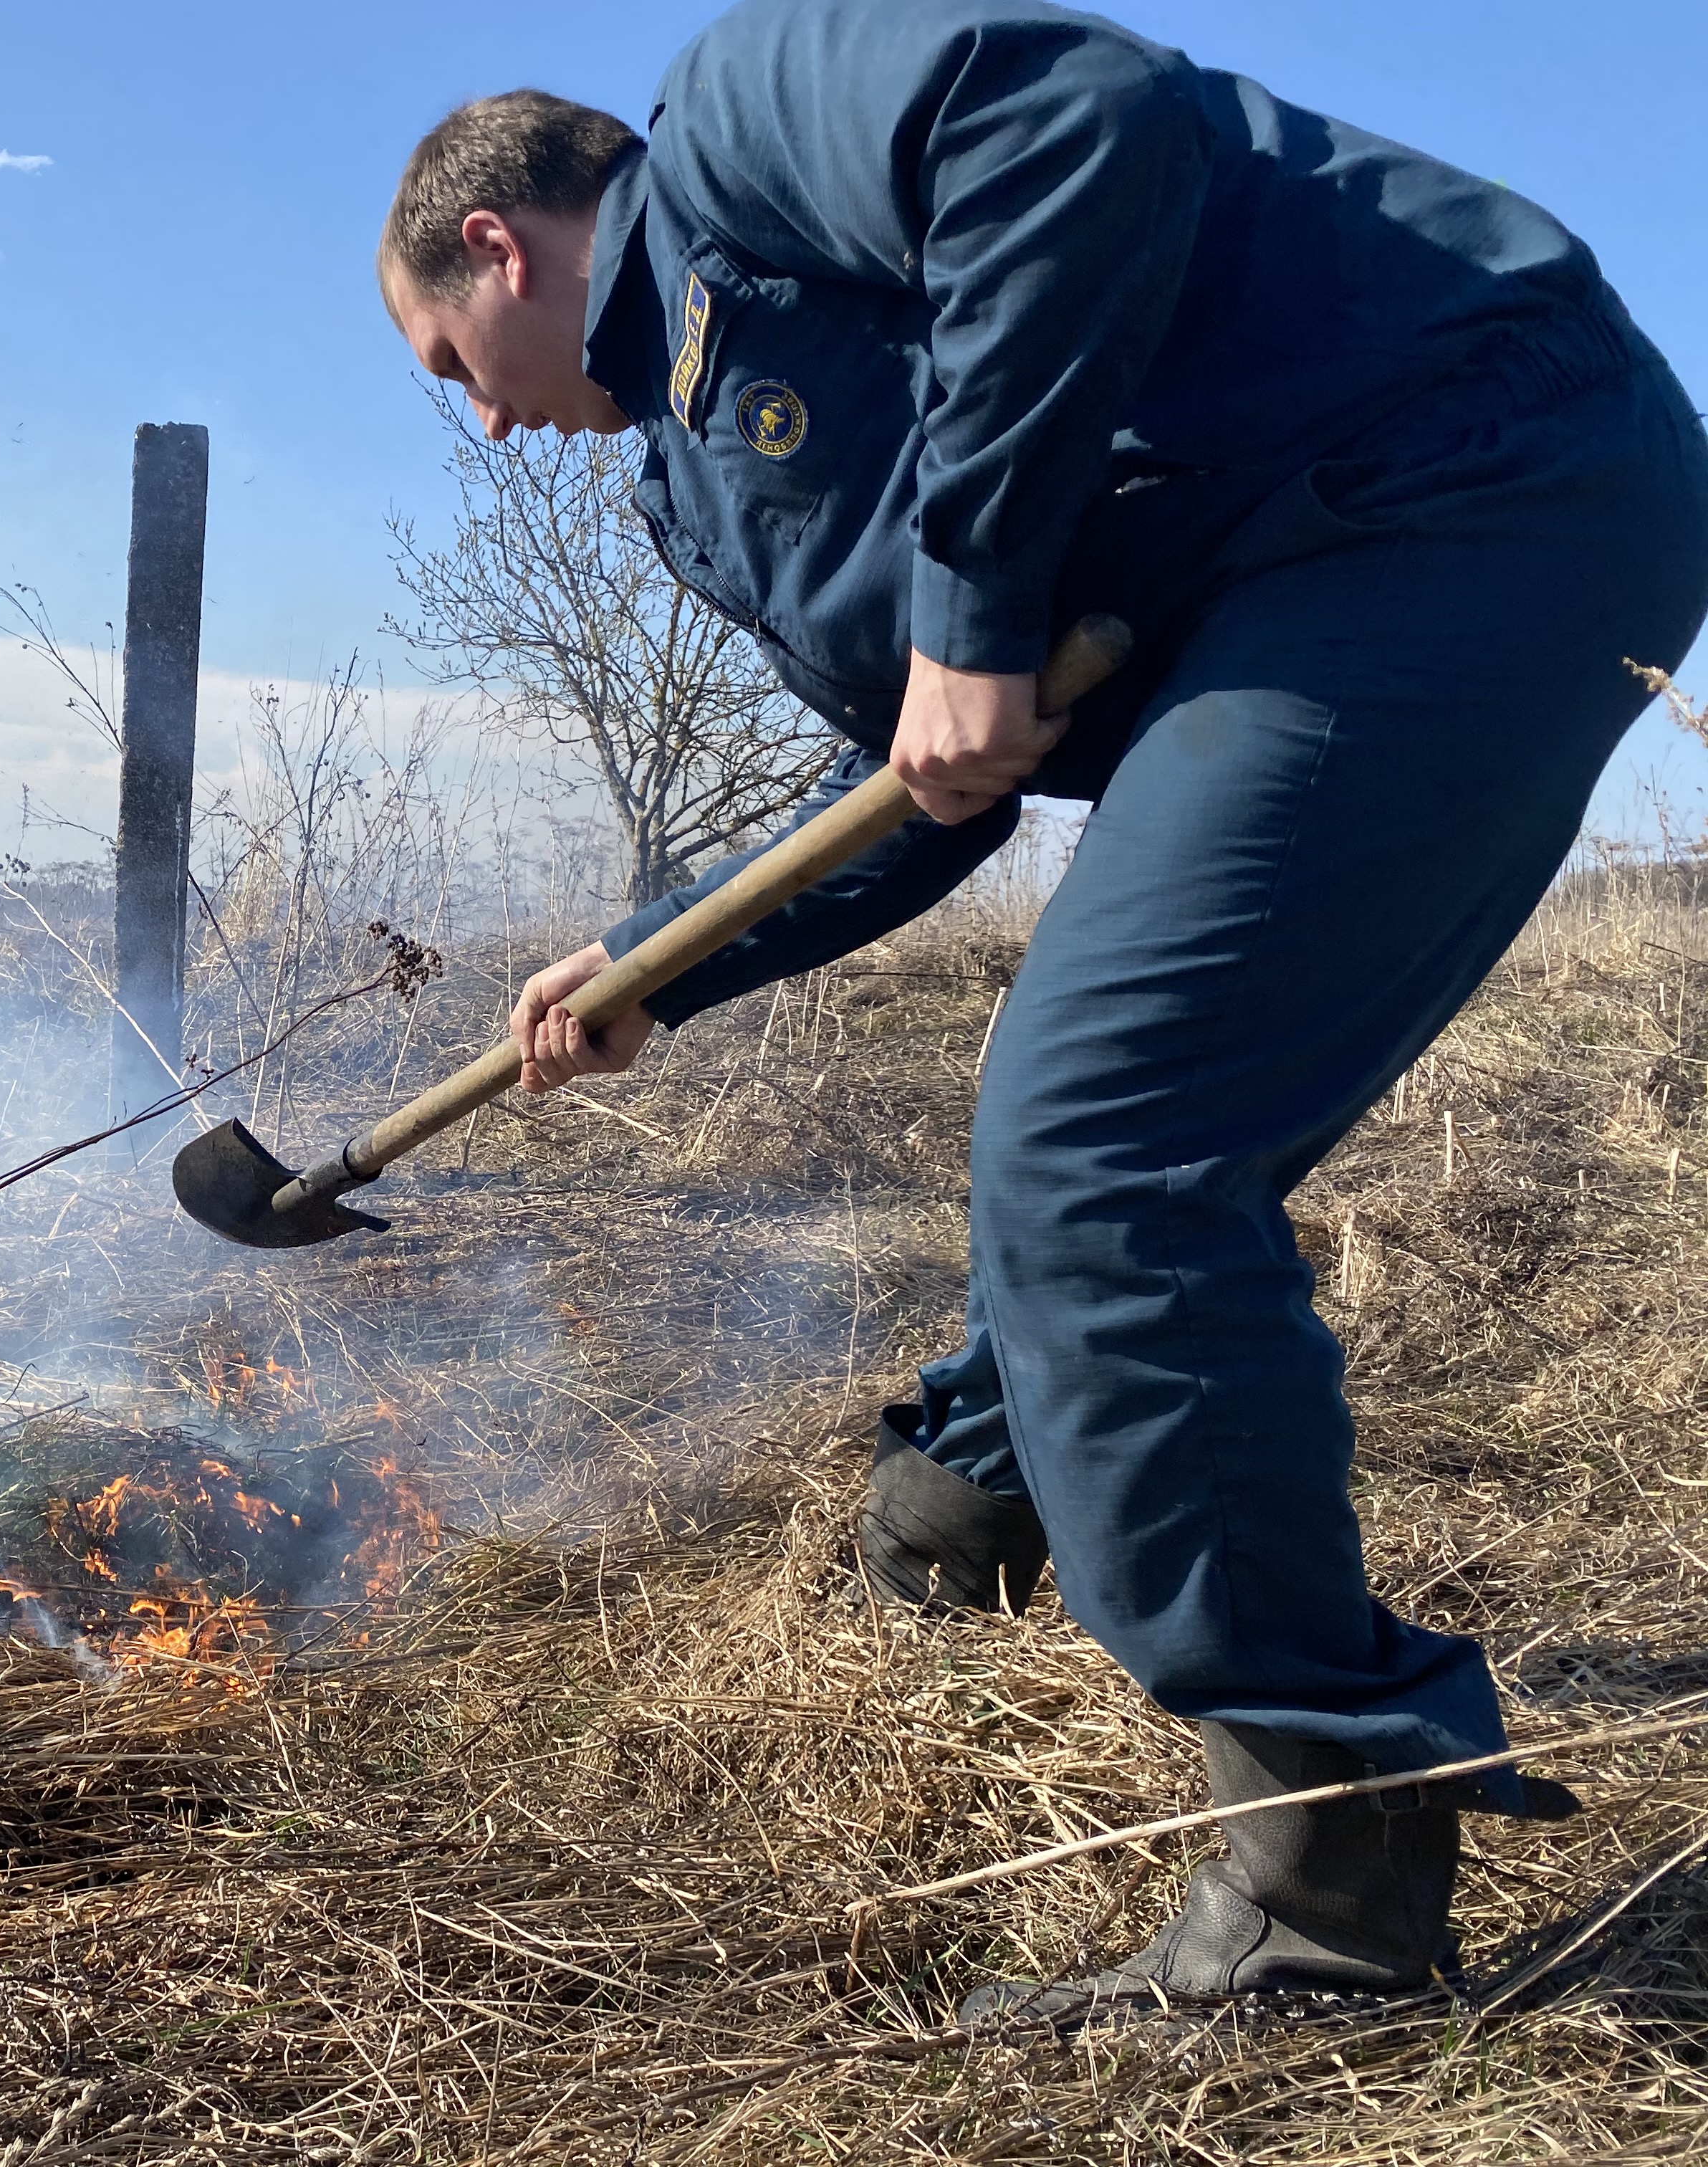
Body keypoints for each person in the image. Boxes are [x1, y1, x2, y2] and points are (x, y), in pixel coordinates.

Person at [378, 0, 1708, 2021]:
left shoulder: (736, 140)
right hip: (1273, 596)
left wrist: (977, 598)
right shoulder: (694, 493)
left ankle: (1330, 1878)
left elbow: (1071, 117)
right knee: (1097, 1086)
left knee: (1102, 1131)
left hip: (1461, 473)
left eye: (450, 367)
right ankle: (977, 1503)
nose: (479, 421)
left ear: (500, 248)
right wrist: (663, 960)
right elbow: (921, 780)